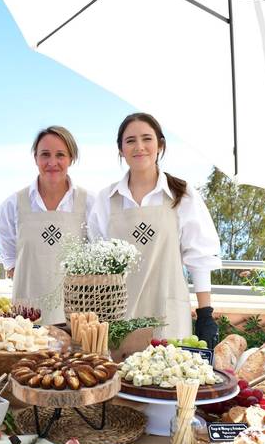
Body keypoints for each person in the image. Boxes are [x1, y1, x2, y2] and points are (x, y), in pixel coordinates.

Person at [89, 113, 222, 347]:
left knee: (166, 378)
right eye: (130, 140)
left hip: (167, 311)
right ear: (120, 149)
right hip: (119, 315)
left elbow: (199, 258)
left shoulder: (182, 194)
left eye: (147, 139)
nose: (139, 147)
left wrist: (205, 314)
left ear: (160, 145)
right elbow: (96, 265)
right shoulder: (105, 199)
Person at [0, 126, 95, 325]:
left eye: (60, 155)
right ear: (35, 158)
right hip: (26, 317)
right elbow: (11, 262)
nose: (52, 163)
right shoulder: (12, 205)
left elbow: (96, 262)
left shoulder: (90, 203)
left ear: (71, 158)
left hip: (76, 315)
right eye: (45, 155)